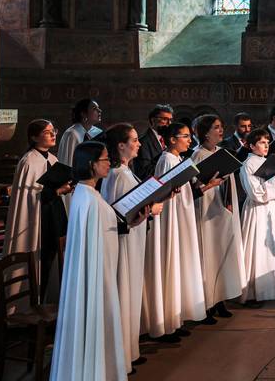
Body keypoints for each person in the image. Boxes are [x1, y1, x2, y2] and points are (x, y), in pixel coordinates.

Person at [50, 141, 151, 381]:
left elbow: (105, 231)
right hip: (97, 275)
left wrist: (133, 223)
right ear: (91, 165)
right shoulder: (90, 199)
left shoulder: (87, 195)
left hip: (99, 270)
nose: (109, 163)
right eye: (105, 159)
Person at [101, 124, 163, 373]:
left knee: (132, 294)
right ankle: (122, 356)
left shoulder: (124, 171)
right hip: (125, 244)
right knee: (125, 293)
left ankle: (129, 351)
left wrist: (154, 203)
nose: (139, 144)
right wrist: (149, 212)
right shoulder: (118, 174)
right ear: (121, 146)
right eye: (135, 140)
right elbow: (119, 213)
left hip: (133, 240)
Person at [143, 122, 206, 341]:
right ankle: (166, 322)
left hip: (182, 216)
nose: (190, 140)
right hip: (171, 218)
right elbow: (161, 192)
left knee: (180, 266)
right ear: (172, 139)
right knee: (171, 265)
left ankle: (175, 319)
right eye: (185, 136)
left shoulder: (178, 159)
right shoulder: (166, 159)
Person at [2, 119, 71, 310]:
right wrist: (57, 191)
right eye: (47, 132)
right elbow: (28, 199)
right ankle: (29, 306)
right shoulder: (28, 161)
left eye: (53, 130)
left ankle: (49, 302)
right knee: (38, 260)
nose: (53, 134)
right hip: (36, 220)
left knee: (52, 259)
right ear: (34, 137)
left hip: (53, 216)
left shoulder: (53, 160)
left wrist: (65, 188)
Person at [191, 115, 244, 320]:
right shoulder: (198, 155)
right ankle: (207, 303)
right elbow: (195, 184)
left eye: (222, 127)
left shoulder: (222, 153)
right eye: (216, 127)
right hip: (206, 212)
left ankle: (221, 298)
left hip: (222, 209)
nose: (221, 130)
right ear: (205, 133)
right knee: (209, 257)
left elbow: (229, 180)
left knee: (223, 255)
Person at [239, 128, 275, 304]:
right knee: (257, 250)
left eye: (267, 142)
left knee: (269, 250)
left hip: (269, 209)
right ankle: (252, 293)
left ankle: (268, 290)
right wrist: (274, 181)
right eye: (261, 142)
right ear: (251, 146)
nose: (266, 145)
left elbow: (269, 186)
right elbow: (255, 193)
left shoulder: (266, 161)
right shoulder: (248, 164)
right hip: (257, 211)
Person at [220, 112, 253, 214]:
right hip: (237, 190)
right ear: (235, 126)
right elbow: (230, 167)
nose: (247, 129)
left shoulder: (253, 143)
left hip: (251, 188)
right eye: (243, 126)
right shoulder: (226, 143)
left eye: (249, 126)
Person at [56, 98, 103, 170]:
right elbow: (67, 163)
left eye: (98, 108)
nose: (99, 111)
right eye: (94, 108)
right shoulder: (72, 134)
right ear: (83, 113)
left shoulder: (99, 133)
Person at [132, 104, 173, 181]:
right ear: (153, 120)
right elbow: (143, 173)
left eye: (170, 120)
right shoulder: (143, 142)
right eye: (165, 119)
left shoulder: (168, 140)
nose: (169, 123)